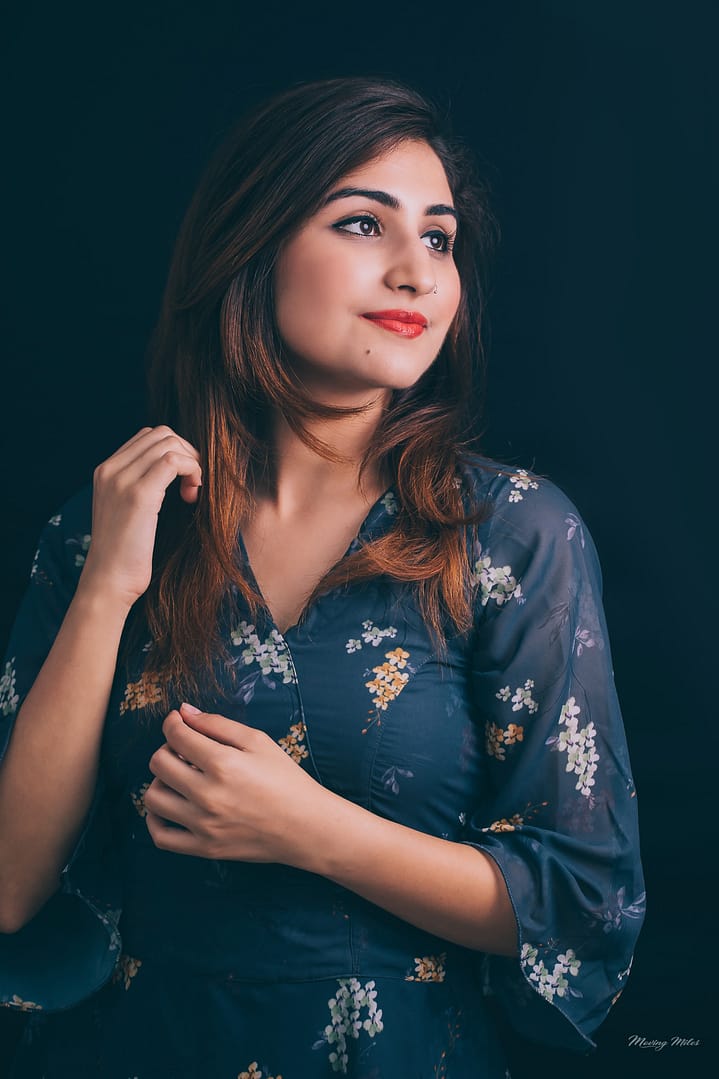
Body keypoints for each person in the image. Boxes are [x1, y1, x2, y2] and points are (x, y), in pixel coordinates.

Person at [0, 76, 645, 1078]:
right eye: (362, 223)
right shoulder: (113, 520)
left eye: (439, 239)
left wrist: (310, 828)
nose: (416, 272)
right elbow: (10, 887)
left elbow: (580, 900)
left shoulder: (509, 531)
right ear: (249, 247)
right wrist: (106, 587)